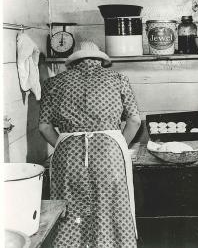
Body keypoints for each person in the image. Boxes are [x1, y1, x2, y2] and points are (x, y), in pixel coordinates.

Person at [39, 41, 141, 247]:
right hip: (109, 155)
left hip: (68, 157)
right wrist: (117, 143)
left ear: (74, 61)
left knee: (71, 211)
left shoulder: (53, 83)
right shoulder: (118, 79)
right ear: (100, 60)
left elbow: (43, 127)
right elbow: (135, 121)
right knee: (110, 208)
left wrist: (62, 143)